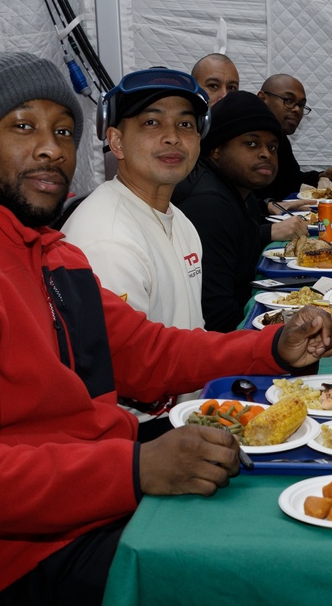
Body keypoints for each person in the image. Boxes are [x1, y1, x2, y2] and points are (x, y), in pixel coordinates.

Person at [0, 51, 332, 606]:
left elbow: (145, 352)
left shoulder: (50, 254)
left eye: (64, 130)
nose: (50, 147)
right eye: (23, 126)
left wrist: (273, 346)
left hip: (86, 500)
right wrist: (132, 470)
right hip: (9, 563)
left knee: (285, 506)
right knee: (256, 574)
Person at [62, 68, 210, 438]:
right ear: (117, 142)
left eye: (186, 125)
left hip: (188, 411)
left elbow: (191, 332)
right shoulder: (109, 240)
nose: (173, 138)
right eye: (151, 122)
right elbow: (130, 375)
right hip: (139, 437)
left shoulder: (180, 220)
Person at [172, 90, 308, 332]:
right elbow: (217, 317)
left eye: (273, 146)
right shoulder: (209, 205)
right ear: (215, 149)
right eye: (251, 143)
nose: (266, 153)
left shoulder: (237, 192)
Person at [255, 73, 332, 203]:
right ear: (262, 99)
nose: (297, 110)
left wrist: (321, 177)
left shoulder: (281, 140)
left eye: (301, 105)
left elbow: (291, 181)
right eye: (289, 101)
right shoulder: (243, 138)